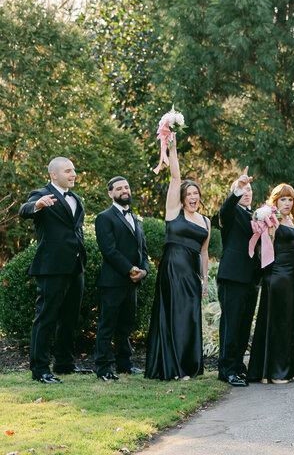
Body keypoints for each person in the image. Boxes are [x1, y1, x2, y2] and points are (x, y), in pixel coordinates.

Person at [18, 156, 89, 383]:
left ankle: (65, 364)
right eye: (68, 171)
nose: (73, 174)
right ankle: (39, 370)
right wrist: (37, 205)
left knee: (69, 319)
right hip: (51, 268)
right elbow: (24, 210)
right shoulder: (41, 194)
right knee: (46, 318)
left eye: (74, 170)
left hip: (75, 267)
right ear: (54, 175)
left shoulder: (76, 198)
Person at [146, 137, 210, 380]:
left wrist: (204, 280)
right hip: (173, 270)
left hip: (192, 275)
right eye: (188, 193)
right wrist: (171, 146)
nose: (192, 196)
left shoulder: (206, 222)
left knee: (189, 318)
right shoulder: (174, 212)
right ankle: (173, 368)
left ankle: (188, 366)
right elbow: (175, 178)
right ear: (182, 198)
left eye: (196, 193)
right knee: (174, 316)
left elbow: (203, 252)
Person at [93, 176, 149, 382]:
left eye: (126, 187)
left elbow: (143, 249)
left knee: (125, 326)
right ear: (110, 193)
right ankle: (103, 368)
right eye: (119, 188)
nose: (124, 190)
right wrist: (130, 269)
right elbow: (109, 250)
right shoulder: (104, 218)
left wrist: (144, 269)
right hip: (111, 282)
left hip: (131, 282)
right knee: (107, 325)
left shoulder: (135, 218)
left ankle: (125, 364)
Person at [247, 183, 294, 384]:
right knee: (277, 322)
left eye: (290, 199)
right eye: (283, 199)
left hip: (292, 276)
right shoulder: (273, 219)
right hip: (278, 275)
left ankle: (280, 368)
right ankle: (274, 371)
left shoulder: (292, 219)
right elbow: (266, 249)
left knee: (288, 322)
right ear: (275, 201)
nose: (287, 203)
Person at [216, 168, 259, 387]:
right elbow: (224, 210)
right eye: (242, 189)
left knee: (243, 327)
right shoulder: (231, 214)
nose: (246, 192)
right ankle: (226, 370)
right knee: (231, 325)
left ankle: (238, 366)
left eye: (249, 189)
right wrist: (235, 191)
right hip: (232, 277)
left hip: (251, 279)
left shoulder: (257, 217)